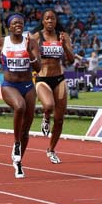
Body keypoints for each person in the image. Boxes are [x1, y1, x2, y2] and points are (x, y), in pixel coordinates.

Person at [0, 14, 41, 179]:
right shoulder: (1, 43)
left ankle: (18, 163)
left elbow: (38, 68)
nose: (18, 25)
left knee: (26, 130)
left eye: (21, 22)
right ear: (9, 27)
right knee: (19, 106)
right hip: (9, 86)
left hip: (28, 86)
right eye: (15, 23)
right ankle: (16, 143)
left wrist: (28, 52)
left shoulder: (31, 42)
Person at [31, 9, 75, 164]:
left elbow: (71, 60)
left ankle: (51, 150)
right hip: (42, 78)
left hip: (59, 78)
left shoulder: (63, 36)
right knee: (48, 105)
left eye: (53, 19)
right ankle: (44, 118)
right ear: (42, 21)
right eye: (47, 18)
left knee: (60, 119)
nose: (50, 21)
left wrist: (64, 46)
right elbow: (30, 58)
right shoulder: (36, 37)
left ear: (56, 21)